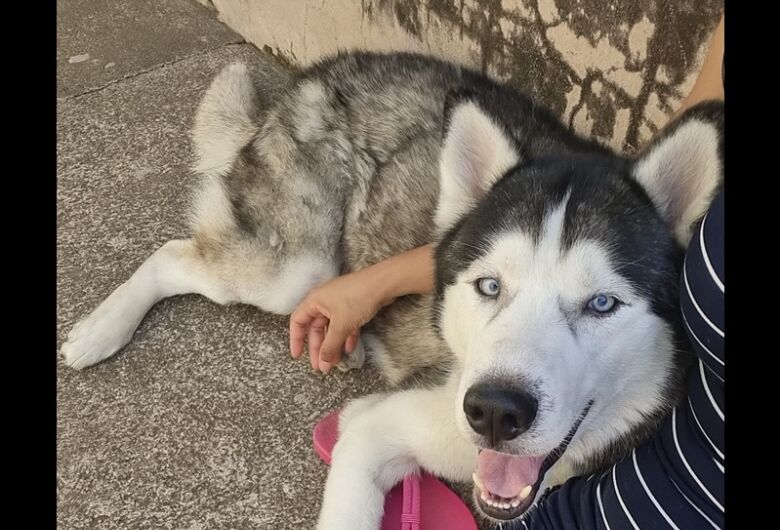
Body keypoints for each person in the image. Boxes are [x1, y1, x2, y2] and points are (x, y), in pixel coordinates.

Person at [291, 15, 724, 529]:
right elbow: (366, 436)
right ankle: (168, 274)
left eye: (601, 302)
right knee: (287, 282)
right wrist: (376, 283)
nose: (500, 393)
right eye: (491, 287)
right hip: (340, 136)